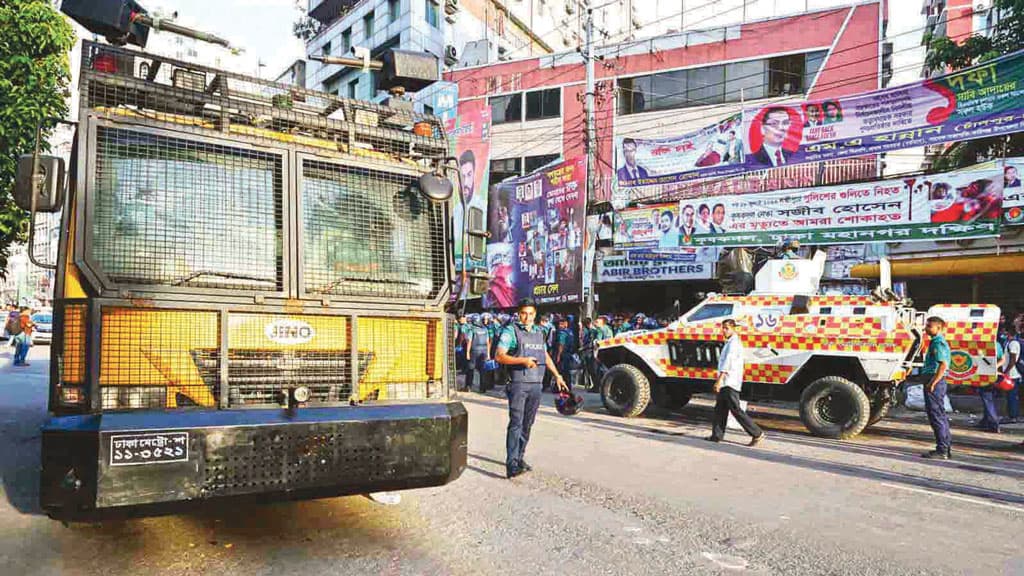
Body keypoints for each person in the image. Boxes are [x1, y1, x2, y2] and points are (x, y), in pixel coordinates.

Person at [495, 299, 568, 478]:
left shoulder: (539, 332)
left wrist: (557, 375)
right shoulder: (511, 331)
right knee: (516, 423)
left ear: (535, 315)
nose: (527, 317)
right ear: (519, 314)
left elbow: (545, 356)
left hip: (536, 384)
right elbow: (499, 356)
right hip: (518, 384)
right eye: (523, 313)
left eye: (530, 314)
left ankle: (519, 457)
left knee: (528, 424)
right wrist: (523, 360)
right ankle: (511, 463)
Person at [705, 319, 765, 446]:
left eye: (727, 328)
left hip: (729, 381)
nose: (724, 330)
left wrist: (719, 381)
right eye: (723, 328)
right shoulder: (730, 342)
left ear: (733, 328)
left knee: (736, 410)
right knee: (720, 409)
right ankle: (716, 435)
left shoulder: (733, 344)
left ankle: (757, 433)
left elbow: (727, 363)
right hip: (727, 381)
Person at [919, 316, 953, 459]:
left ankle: (942, 450)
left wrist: (933, 382)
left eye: (929, 326)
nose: (926, 329)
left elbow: (943, 364)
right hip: (935, 380)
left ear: (938, 328)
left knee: (936, 415)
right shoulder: (935, 342)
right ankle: (945, 448)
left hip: (935, 380)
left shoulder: (938, 343)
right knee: (939, 415)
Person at [1001, 315, 1022, 425]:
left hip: (1013, 374)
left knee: (1012, 396)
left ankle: (1013, 416)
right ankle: (1011, 415)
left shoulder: (1014, 343)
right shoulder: (1009, 342)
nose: (1004, 333)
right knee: (1009, 396)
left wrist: (1006, 371)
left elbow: (1013, 359)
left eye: (1005, 332)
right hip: (1010, 373)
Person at [554, 317, 578, 391]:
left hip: (563, 354)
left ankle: (559, 387)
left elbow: (561, 344)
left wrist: (558, 356)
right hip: (568, 354)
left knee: (560, 371)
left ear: (566, 324)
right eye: (559, 324)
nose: (559, 326)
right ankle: (567, 387)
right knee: (567, 372)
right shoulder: (570, 332)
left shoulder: (562, 333)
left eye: (561, 324)